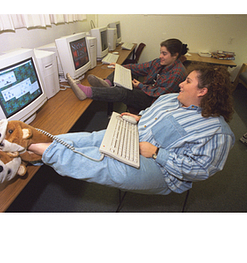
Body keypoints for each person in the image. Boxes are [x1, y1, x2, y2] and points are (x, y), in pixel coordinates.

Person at [28, 64, 235, 195]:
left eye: (188, 81)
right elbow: (151, 113)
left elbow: (201, 169)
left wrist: (157, 153)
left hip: (163, 169)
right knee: (93, 139)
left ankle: (40, 149)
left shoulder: (217, 133)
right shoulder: (172, 98)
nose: (181, 84)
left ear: (203, 91)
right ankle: (40, 143)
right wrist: (140, 117)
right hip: (135, 135)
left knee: (109, 165)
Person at [67, 38, 188, 112]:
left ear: (175, 55)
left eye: (164, 53)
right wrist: (120, 67)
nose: (160, 56)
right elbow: (140, 67)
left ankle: (86, 92)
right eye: (160, 52)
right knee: (121, 70)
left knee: (122, 92)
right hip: (146, 90)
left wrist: (140, 86)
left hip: (153, 100)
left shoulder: (177, 72)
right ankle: (107, 84)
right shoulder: (160, 62)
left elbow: (158, 93)